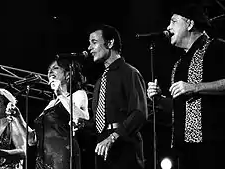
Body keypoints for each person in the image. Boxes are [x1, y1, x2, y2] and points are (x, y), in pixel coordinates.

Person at [147, 3, 225, 169]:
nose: (168, 27)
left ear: (190, 24)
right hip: (183, 150)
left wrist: (195, 87)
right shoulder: (179, 65)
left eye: (174, 21)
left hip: (213, 148)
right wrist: (159, 99)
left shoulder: (217, 48)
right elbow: (178, 108)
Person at [87, 24, 148, 169]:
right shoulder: (100, 81)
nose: (89, 48)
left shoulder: (130, 73)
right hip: (103, 148)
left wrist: (113, 137)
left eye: (94, 42)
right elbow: (100, 120)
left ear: (110, 43)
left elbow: (139, 113)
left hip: (125, 147)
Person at [24, 58, 89, 169]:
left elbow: (82, 117)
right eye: (49, 69)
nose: (50, 72)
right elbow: (32, 140)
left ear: (68, 74)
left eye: (55, 68)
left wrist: (60, 94)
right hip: (42, 160)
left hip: (62, 157)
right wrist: (17, 117)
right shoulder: (51, 103)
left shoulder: (78, 94)